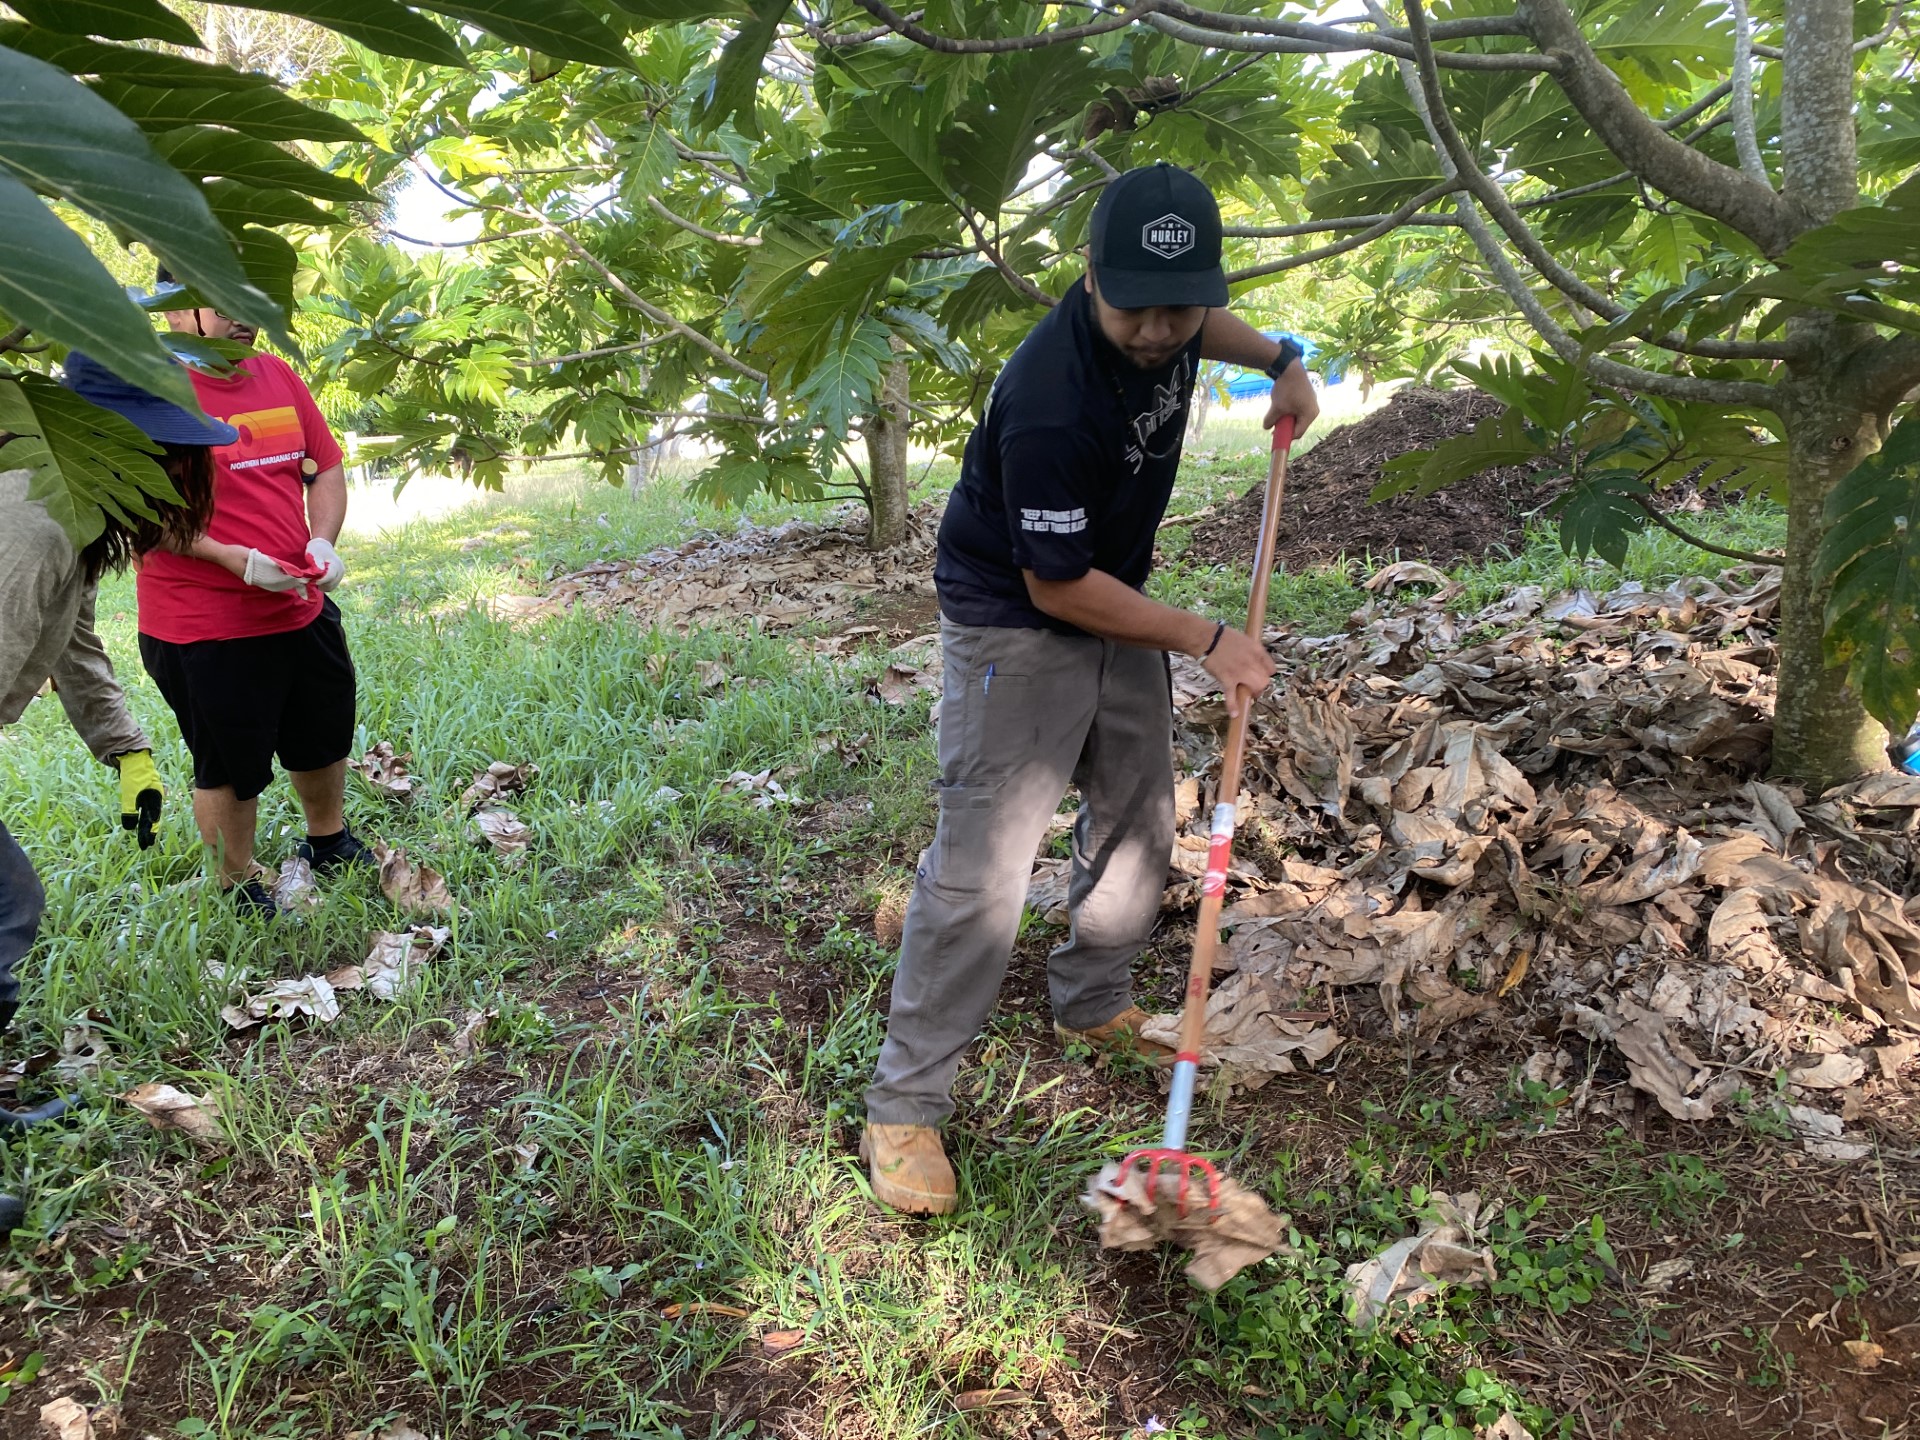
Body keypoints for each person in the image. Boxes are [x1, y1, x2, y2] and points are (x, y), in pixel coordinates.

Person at [860, 164, 1321, 1215]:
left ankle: (1092, 999)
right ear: (1087, 279)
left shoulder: (1175, 318)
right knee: (984, 872)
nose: (1160, 330)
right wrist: (1208, 639)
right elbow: (1056, 587)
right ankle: (903, 1105)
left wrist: (1284, 361)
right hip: (1019, 618)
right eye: (1136, 307)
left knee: (1141, 812)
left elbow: (1208, 330)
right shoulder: (1049, 400)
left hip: (1115, 597)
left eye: (1180, 303)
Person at [0, 354, 226, 1234]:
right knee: (4, 908)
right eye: (166, 450)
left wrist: (127, 751)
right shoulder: (30, 522)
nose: (180, 473)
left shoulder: (70, 507)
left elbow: (74, 638)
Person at [140, 273, 370, 916]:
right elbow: (138, 506)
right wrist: (231, 560)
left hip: (299, 603)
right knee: (228, 763)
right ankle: (236, 885)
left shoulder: (276, 374)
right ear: (178, 314)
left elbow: (323, 464)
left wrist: (322, 541)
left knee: (321, 734)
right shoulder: (148, 389)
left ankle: (328, 841)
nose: (244, 315)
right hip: (203, 623)